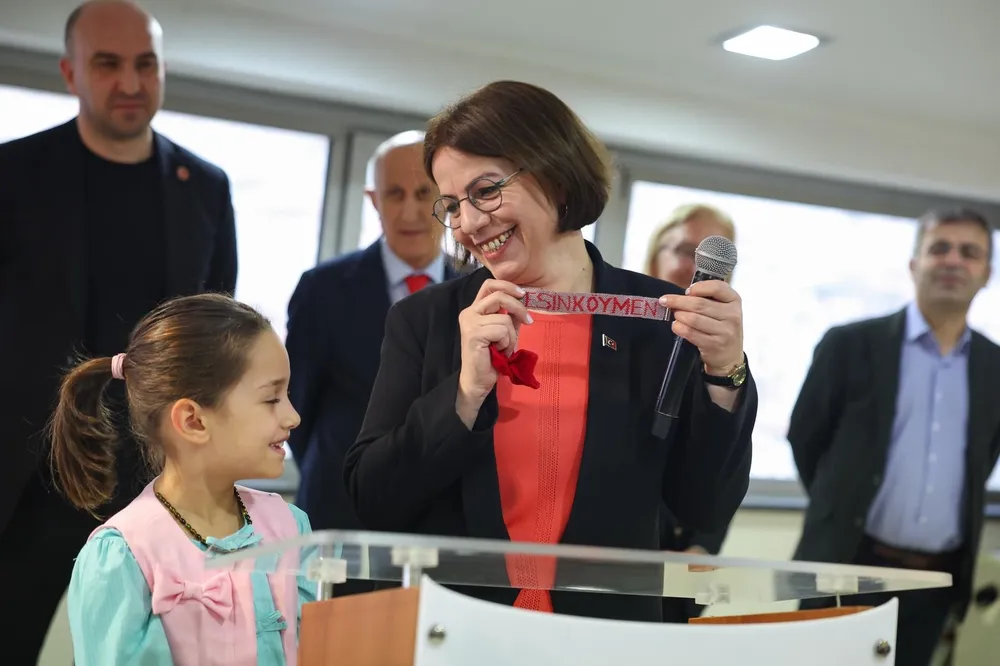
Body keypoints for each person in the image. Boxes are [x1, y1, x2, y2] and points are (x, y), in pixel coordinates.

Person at [344, 80, 757, 623]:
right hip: (457, 630)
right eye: (452, 205)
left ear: (556, 175)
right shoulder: (425, 320)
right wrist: (464, 396)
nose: (468, 223)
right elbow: (372, 498)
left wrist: (725, 373)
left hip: (604, 638)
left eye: (485, 191)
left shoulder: (662, 318)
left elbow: (704, 506)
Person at [0, 1, 237, 659]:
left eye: (145, 64)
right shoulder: (13, 175)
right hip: (28, 476)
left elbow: (216, 335)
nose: (130, 83)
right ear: (70, 73)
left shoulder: (205, 188)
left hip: (155, 479)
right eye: (108, 64)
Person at [49, 293, 311, 665]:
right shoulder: (125, 555)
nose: (293, 416)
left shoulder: (290, 526)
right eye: (272, 399)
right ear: (193, 421)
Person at [789, 208, 1000, 666]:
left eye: (970, 252)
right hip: (845, 568)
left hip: (935, 585)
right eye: (939, 248)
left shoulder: (994, 368)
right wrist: (839, 505)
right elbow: (806, 439)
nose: (953, 260)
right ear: (913, 264)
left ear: (986, 273)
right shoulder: (849, 345)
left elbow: (983, 460)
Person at [286, 131, 458, 594]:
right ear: (373, 200)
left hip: (444, 529)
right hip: (341, 521)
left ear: (447, 200)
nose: (410, 211)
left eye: (423, 193)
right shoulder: (322, 289)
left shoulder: (480, 290)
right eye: (394, 194)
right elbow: (296, 411)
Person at [643, 203, 738, 622]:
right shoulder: (617, 333)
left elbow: (723, 461)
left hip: (680, 572)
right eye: (686, 251)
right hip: (612, 559)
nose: (698, 268)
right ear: (654, 258)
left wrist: (704, 544)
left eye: (713, 260)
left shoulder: (724, 355)